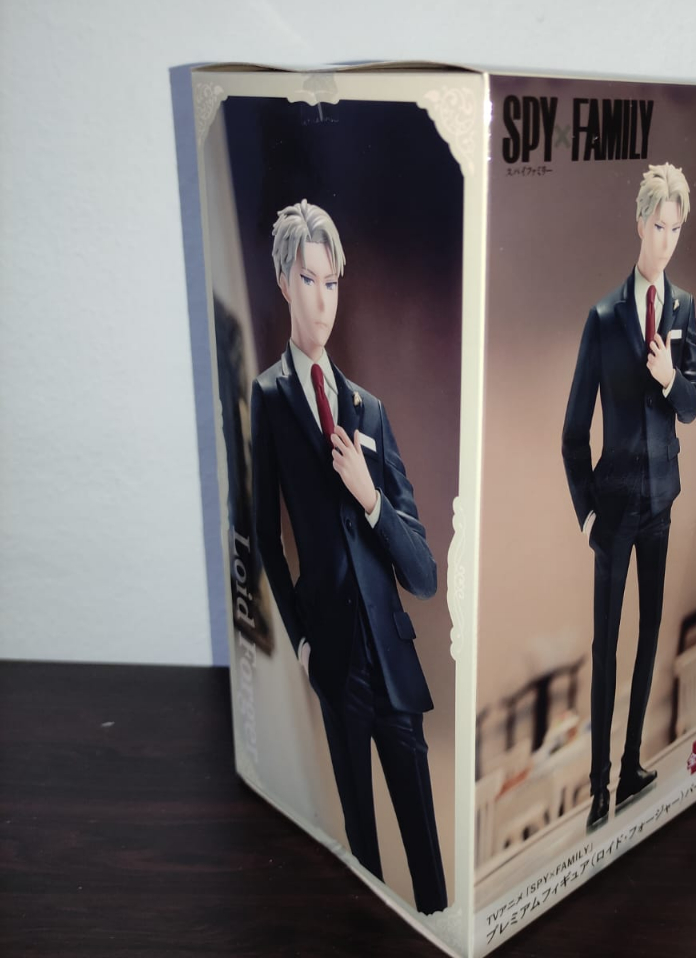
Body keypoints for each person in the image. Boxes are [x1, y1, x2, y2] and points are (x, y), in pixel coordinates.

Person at [250, 200, 447, 913]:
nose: (322, 300)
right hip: (335, 664)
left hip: (393, 662)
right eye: (308, 280)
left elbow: (423, 575)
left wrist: (370, 498)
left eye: (331, 282)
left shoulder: (370, 411)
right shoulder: (270, 398)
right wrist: (301, 639)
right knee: (362, 852)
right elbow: (265, 535)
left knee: (428, 861)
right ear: (284, 282)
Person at [562, 163, 696, 832]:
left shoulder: (684, 310)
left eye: (676, 229)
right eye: (658, 226)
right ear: (639, 222)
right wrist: (588, 513)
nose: (666, 241)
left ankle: (632, 766)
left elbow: (692, 406)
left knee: (649, 635)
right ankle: (598, 792)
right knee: (607, 647)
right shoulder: (604, 317)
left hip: (661, 504)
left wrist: (672, 378)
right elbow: (572, 432)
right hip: (614, 510)